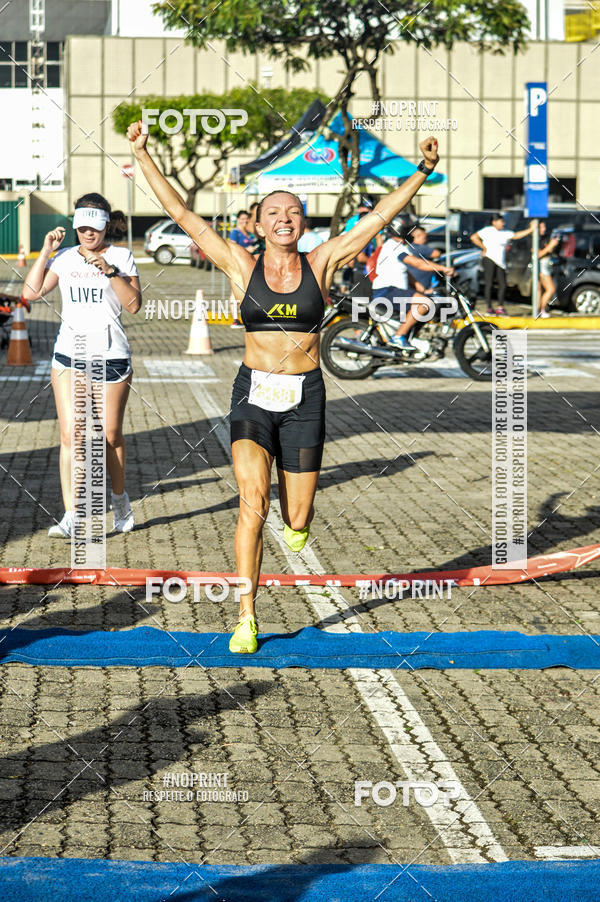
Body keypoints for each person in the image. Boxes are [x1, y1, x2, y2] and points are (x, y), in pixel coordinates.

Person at [128, 118, 442, 653]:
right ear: (260, 221)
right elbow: (180, 213)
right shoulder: (239, 263)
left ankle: (297, 519)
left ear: (302, 222)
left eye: (292, 213)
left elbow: (381, 217)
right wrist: (141, 154)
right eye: (273, 212)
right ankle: (245, 615)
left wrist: (425, 169)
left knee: (296, 516)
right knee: (253, 503)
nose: (283, 220)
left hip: (305, 398)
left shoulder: (322, 262)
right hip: (253, 393)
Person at [22, 194, 141, 538]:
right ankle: (72, 515)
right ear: (76, 225)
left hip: (111, 356)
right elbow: (31, 293)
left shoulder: (121, 256)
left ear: (105, 225)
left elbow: (133, 305)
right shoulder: (65, 257)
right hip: (68, 357)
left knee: (109, 435)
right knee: (72, 436)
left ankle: (120, 503)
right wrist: (45, 250)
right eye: (83, 226)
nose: (89, 233)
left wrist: (111, 271)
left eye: (95, 226)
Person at [371, 225, 454, 350]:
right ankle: (399, 336)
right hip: (387, 290)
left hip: (391, 290)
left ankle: (411, 337)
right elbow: (417, 263)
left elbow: (407, 274)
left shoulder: (393, 245)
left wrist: (423, 289)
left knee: (426, 299)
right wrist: (443, 268)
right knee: (425, 303)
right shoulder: (395, 246)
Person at [470, 213, 536, 315]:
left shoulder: (505, 233)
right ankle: (488, 307)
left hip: (500, 262)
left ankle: (500, 306)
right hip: (489, 258)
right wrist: (483, 247)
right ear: (494, 222)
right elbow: (474, 237)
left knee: (503, 284)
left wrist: (530, 230)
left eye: (503, 222)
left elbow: (516, 235)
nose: (503, 224)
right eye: (501, 221)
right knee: (489, 283)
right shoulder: (487, 230)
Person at [404, 223, 441, 293]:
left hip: (413, 284)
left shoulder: (408, 247)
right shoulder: (419, 247)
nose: (426, 239)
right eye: (425, 237)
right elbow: (437, 254)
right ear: (418, 236)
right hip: (420, 285)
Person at [537, 220, 559, 318]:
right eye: (541, 227)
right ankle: (540, 310)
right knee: (550, 288)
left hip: (546, 264)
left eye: (544, 227)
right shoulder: (535, 239)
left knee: (540, 290)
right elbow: (538, 254)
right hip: (542, 266)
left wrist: (553, 244)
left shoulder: (544, 238)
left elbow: (548, 250)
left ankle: (539, 310)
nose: (544, 229)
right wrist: (550, 246)